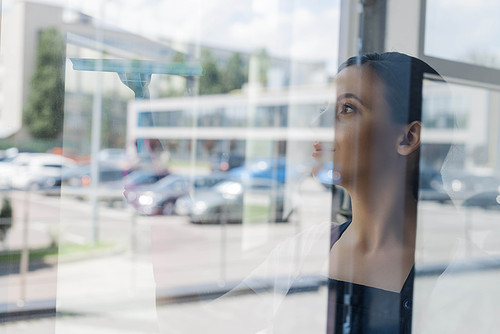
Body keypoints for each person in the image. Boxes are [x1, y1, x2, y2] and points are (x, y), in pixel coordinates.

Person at [323, 52, 442, 333]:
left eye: (347, 109)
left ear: (408, 137)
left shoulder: (462, 275)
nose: (319, 127)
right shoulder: (305, 249)